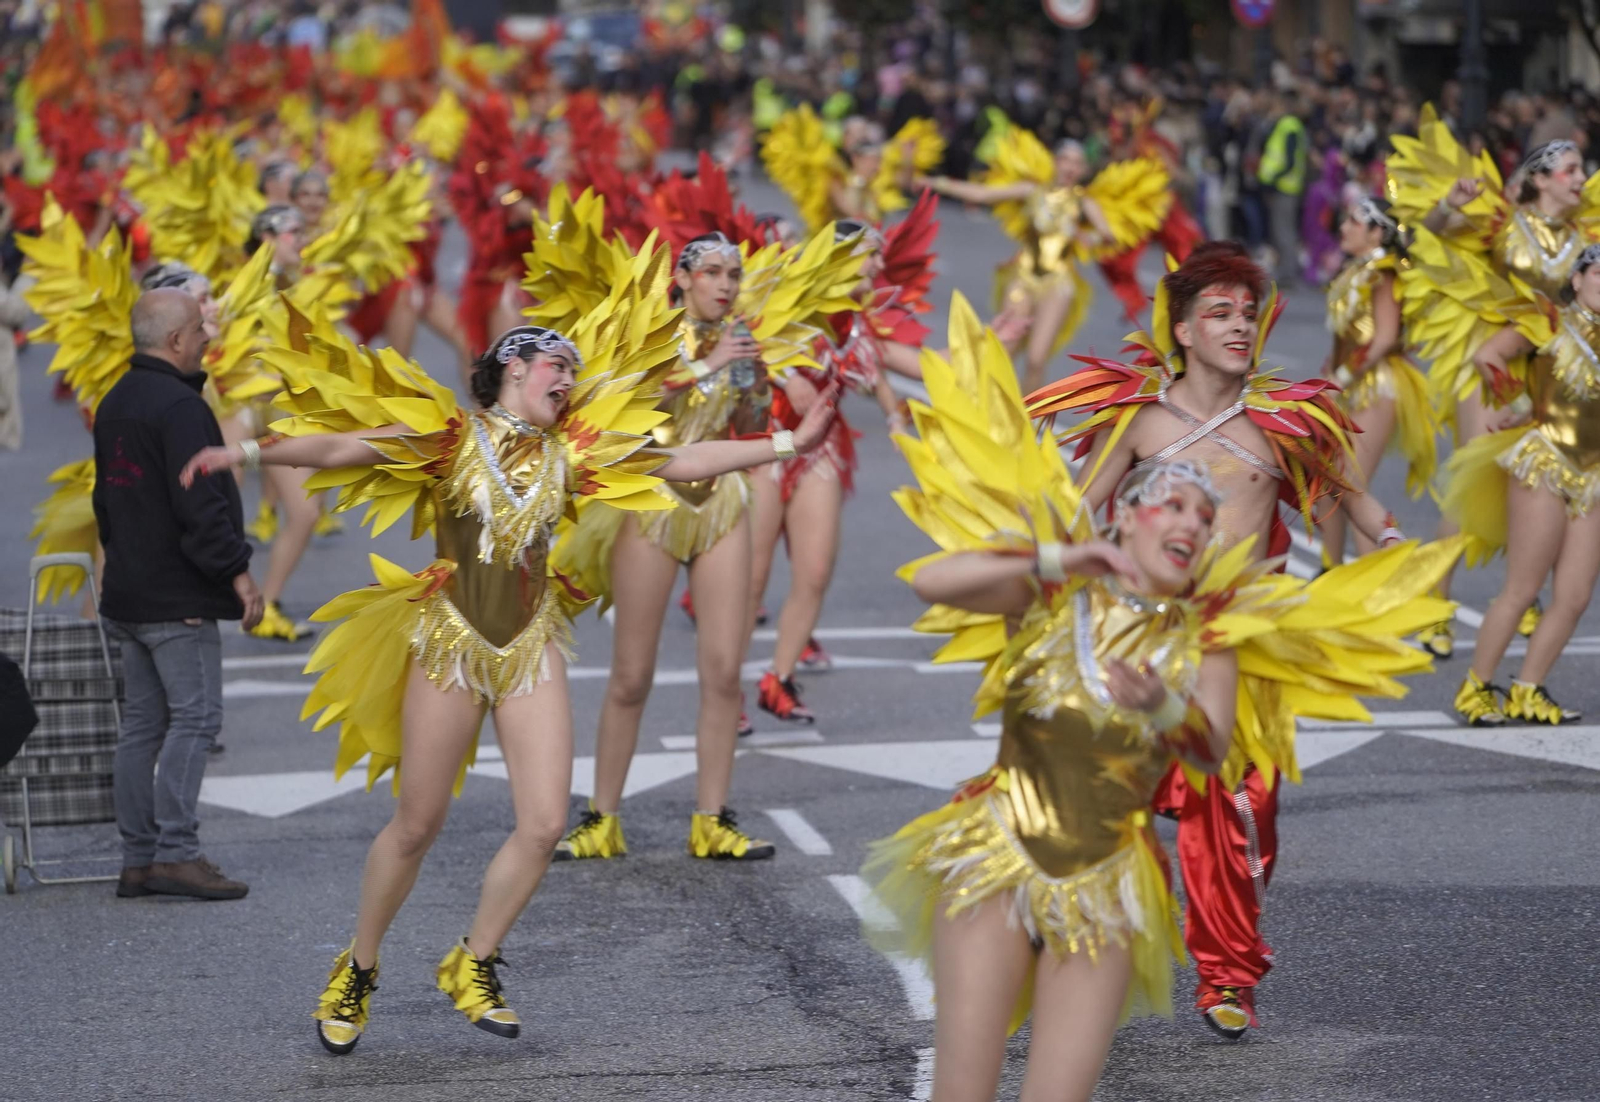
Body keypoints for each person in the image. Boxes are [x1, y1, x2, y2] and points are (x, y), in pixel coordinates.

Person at [179, 284, 843, 1053]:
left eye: (574, 370)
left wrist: (789, 443)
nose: (570, 379)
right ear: (514, 368)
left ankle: (474, 960)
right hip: (452, 644)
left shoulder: (572, 454)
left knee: (546, 823)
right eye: (558, 365)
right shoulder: (451, 438)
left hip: (530, 645)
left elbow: (681, 458)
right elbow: (345, 446)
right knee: (417, 824)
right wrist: (246, 454)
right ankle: (358, 967)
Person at [1025, 242, 1446, 1038]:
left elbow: (1352, 499)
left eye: (1248, 314)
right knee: (1106, 793)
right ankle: (1075, 927)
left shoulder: (1284, 424)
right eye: (1218, 313)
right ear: (1183, 330)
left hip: (1242, 637)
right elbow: (1080, 510)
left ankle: (1226, 975)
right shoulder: (1142, 419)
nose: (1239, 326)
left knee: (1242, 808)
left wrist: (1397, 552)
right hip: (1140, 632)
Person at [1390, 117, 1597, 656]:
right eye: (1571, 169)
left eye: (1582, 169)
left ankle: (1521, 593)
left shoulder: (1585, 241)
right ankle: (1436, 608)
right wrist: (1450, 205)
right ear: (1540, 178)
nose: (1582, 178)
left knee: (1538, 485)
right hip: (1491, 364)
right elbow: (1425, 240)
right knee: (1475, 480)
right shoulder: (1503, 225)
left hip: (1553, 369)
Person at [92, 288, 264, 902]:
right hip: (177, 599)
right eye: (198, 329)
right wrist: (238, 573)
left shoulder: (115, 402)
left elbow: (104, 503)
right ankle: (177, 853)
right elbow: (202, 505)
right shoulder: (181, 407)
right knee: (195, 719)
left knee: (141, 726)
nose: (207, 337)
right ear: (174, 341)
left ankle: (138, 860)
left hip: (129, 593)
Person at [1442, 245, 1600, 725]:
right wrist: (1521, 404)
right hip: (1544, 463)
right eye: (1599, 273)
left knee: (1575, 595)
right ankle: (1476, 686)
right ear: (1577, 279)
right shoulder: (1548, 320)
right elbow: (1488, 354)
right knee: (1522, 587)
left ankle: (1528, 689)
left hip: (1594, 477)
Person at [1316, 196, 1437, 564]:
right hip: (1349, 383)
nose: (1343, 227)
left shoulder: (1384, 273)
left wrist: (1340, 377)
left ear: (1377, 232)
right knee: (1328, 483)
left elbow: (1383, 338)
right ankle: (1330, 570)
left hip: (1376, 385)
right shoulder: (1355, 270)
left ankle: (1376, 581)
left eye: (1353, 221)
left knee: (1351, 486)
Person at [1258, 90, 1308, 288]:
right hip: (1284, 186)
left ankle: (1288, 274)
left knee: (1284, 232)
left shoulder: (1289, 126)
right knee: (1281, 231)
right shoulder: (1286, 125)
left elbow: (1289, 160)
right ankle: (1285, 271)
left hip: (1285, 187)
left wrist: (1274, 179)